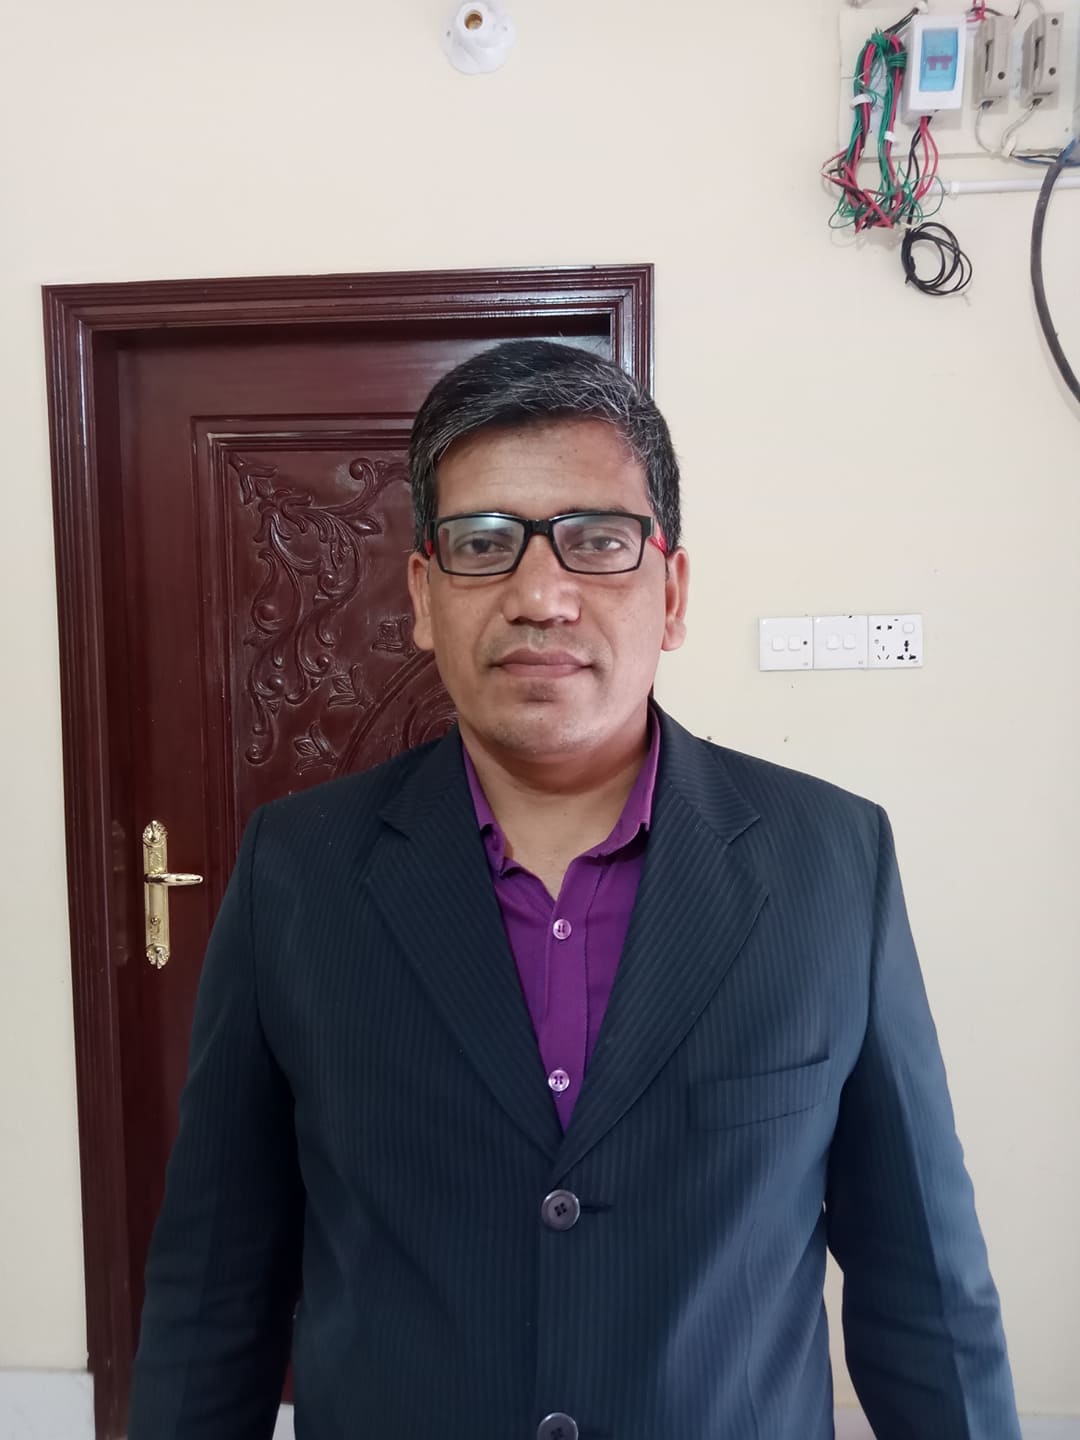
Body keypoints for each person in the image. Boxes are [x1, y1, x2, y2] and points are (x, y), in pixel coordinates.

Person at [128, 341, 1021, 1440]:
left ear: (672, 592)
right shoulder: (298, 871)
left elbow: (921, 1277)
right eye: (482, 543)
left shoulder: (830, 861)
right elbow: (216, 1282)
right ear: (423, 595)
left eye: (597, 541)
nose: (540, 596)